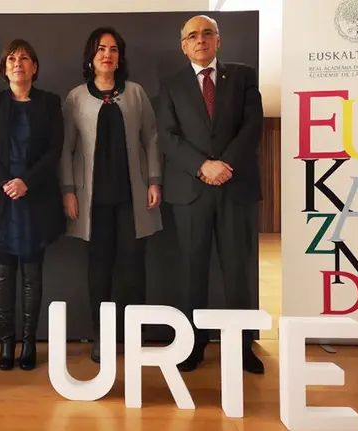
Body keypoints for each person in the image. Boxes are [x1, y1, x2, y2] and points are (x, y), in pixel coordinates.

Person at [156, 15, 264, 373]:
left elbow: (252, 127)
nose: (200, 40)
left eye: (207, 33)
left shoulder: (244, 76)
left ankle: (242, 347)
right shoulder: (171, 85)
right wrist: (203, 165)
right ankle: (192, 345)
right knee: (192, 273)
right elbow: (168, 136)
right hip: (190, 191)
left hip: (236, 188)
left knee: (237, 272)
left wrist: (224, 164)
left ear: (218, 41)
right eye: (192, 36)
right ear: (183, 46)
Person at [60, 27, 162, 363]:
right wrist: (68, 190)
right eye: (101, 49)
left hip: (132, 197)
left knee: (134, 269)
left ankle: (134, 335)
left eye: (114, 49)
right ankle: (101, 336)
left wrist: (154, 181)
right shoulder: (76, 97)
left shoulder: (135, 93)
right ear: (91, 57)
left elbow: (151, 139)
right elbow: (65, 149)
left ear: (120, 57)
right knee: (99, 270)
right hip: (93, 201)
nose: (107, 55)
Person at [0, 39, 65, 371]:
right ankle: (6, 342)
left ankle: (28, 342)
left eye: (25, 58)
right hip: (0, 201)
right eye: (11, 58)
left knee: (32, 276)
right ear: (4, 67)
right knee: (2, 276)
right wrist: (5, 182)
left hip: (35, 199)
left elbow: (55, 150)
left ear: (34, 67)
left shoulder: (50, 103)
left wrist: (26, 181)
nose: (18, 63)